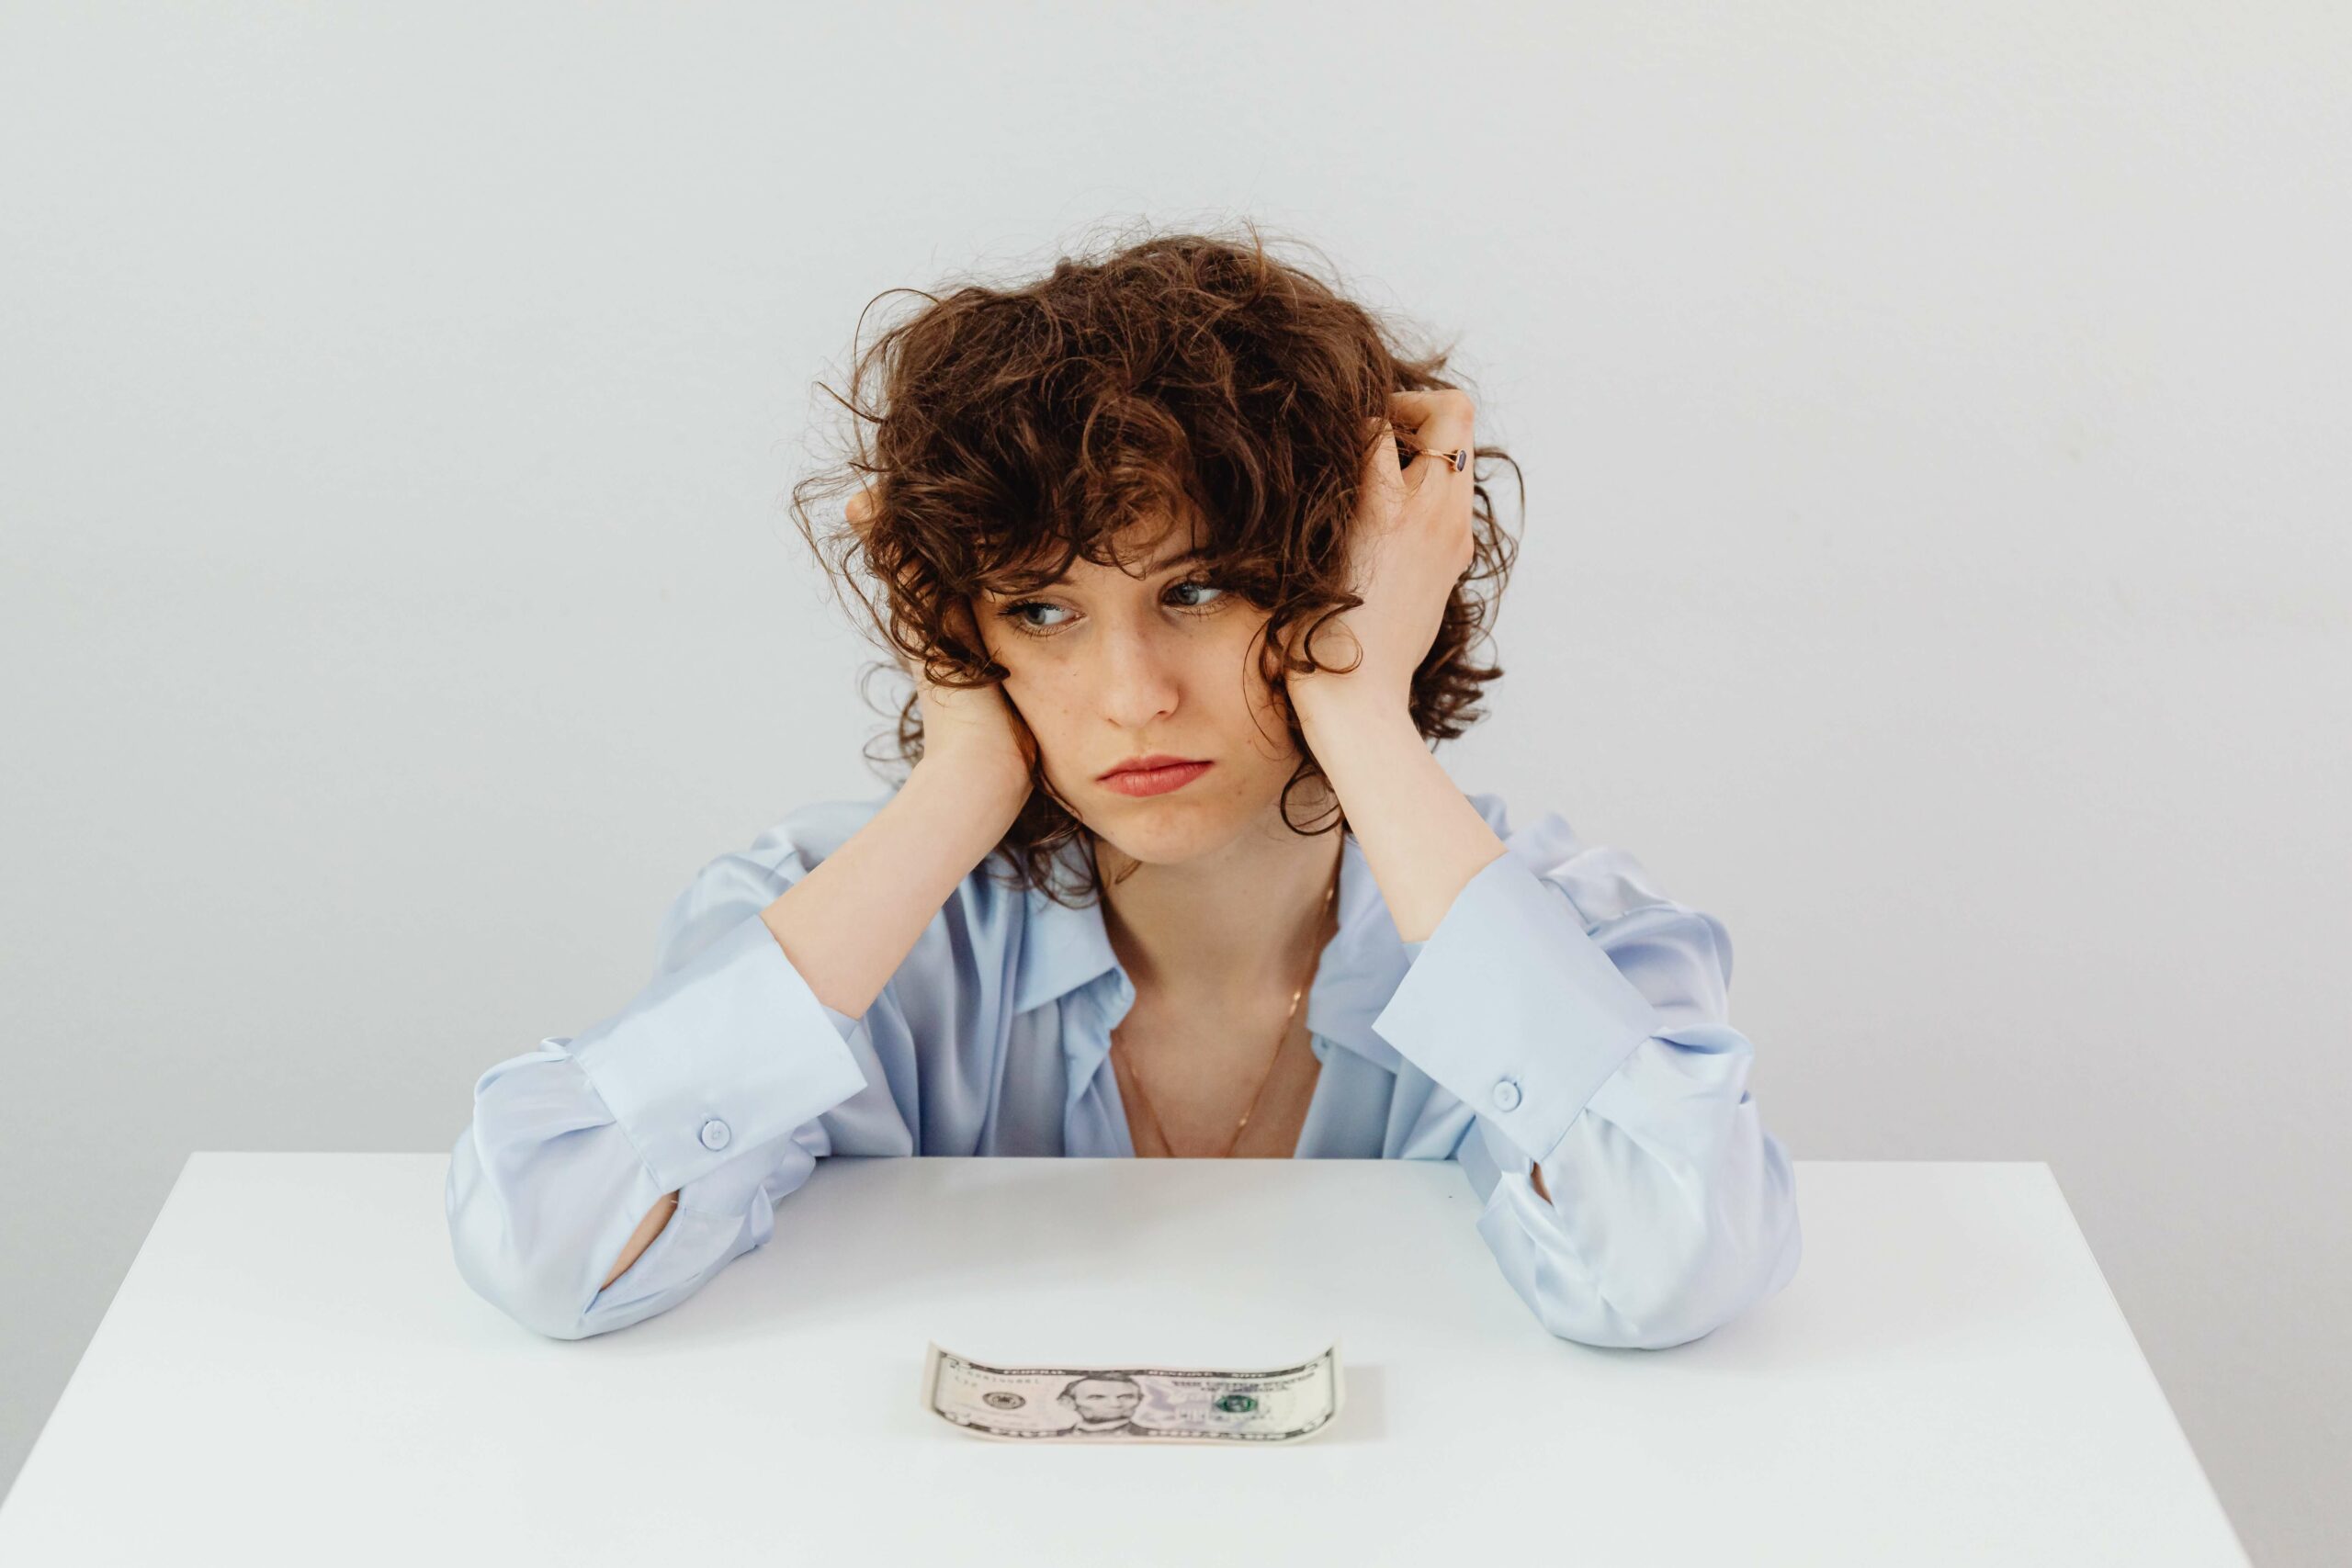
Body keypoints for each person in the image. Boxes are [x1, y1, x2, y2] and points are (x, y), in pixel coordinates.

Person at [445, 222, 1802, 1349]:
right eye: (1040, 612)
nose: (1131, 695)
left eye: (1198, 590)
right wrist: (958, 782)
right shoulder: (848, 924)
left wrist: (1359, 708)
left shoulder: (1563, 935)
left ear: (1363, 581)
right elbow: (551, 1251)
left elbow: (1671, 1263)